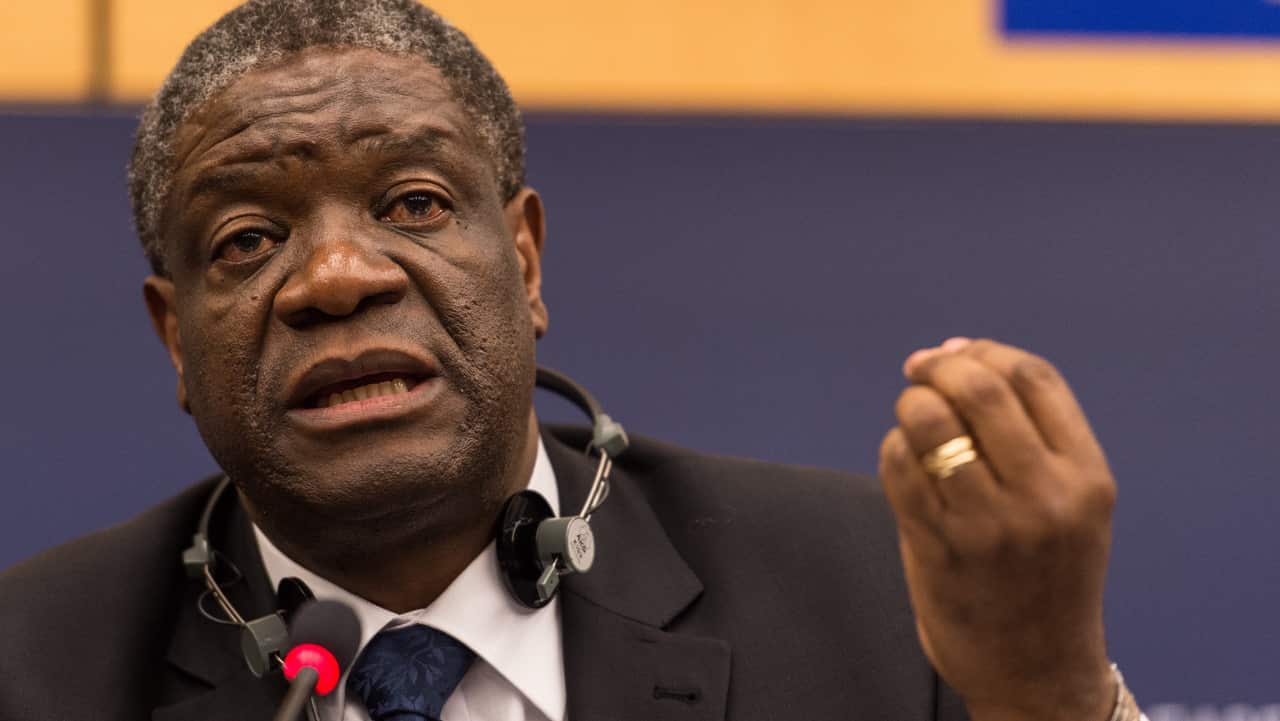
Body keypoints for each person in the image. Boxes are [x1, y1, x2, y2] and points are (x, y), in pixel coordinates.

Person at [0, 1, 1146, 720]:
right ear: (174, 337)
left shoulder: (874, 602)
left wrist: (1041, 696)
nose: (336, 276)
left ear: (526, 260)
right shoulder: (33, 667)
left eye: (413, 200)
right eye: (248, 241)